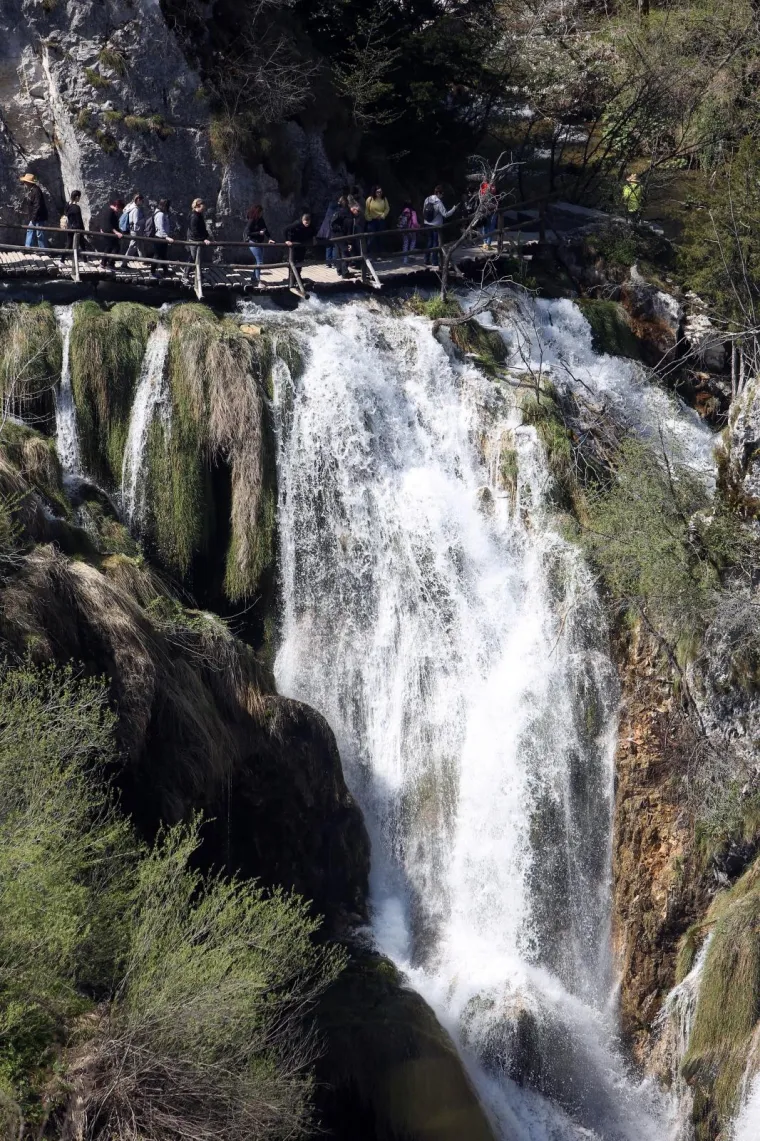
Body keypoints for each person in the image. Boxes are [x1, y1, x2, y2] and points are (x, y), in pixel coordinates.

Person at [423, 184, 458, 267]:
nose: (442, 196)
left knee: (429, 241)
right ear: (438, 193)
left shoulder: (427, 199)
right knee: (435, 243)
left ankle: (426, 259)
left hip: (427, 224)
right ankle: (435, 261)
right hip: (436, 225)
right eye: (442, 194)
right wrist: (453, 209)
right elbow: (445, 214)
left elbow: (424, 210)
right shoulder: (438, 202)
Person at [330, 200, 362, 278]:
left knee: (338, 253)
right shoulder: (348, 217)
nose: (358, 213)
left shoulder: (342, 212)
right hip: (341, 235)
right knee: (346, 253)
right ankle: (344, 272)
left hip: (336, 235)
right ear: (353, 209)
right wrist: (349, 242)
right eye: (358, 211)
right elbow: (348, 231)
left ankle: (340, 270)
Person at [244, 204, 274, 285]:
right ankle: (258, 281)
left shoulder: (261, 219)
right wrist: (258, 233)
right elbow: (248, 232)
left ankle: (253, 278)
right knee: (260, 262)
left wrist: (270, 238)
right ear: (257, 212)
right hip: (253, 242)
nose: (262, 213)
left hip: (260, 243)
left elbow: (265, 229)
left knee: (258, 261)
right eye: (260, 212)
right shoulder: (252, 220)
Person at [183, 197, 212, 282]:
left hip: (197, 239)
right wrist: (204, 239)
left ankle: (197, 275)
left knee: (194, 257)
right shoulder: (194, 216)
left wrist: (207, 236)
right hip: (194, 240)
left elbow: (202, 228)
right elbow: (194, 231)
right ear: (198, 206)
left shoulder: (199, 215)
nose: (204, 208)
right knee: (194, 258)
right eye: (202, 207)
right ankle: (186, 275)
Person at [20, 172, 49, 249]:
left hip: (38, 216)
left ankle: (43, 250)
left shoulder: (36, 191)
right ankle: (28, 248)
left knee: (39, 233)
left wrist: (33, 217)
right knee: (30, 230)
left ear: (28, 183)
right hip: (35, 216)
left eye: (25, 182)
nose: (24, 183)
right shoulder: (32, 190)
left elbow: (37, 205)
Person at [284, 212, 316, 278]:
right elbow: (285, 230)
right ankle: (291, 278)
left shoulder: (311, 225)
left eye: (308, 222)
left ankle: (298, 277)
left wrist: (313, 238)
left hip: (302, 244)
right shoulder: (297, 224)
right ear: (302, 220)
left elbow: (314, 231)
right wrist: (286, 240)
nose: (307, 224)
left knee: (300, 260)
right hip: (294, 244)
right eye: (305, 222)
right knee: (293, 261)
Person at [321, 193, 347, 269]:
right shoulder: (337, 208)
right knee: (333, 245)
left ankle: (328, 262)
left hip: (325, 228)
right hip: (331, 228)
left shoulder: (331, 206)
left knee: (329, 245)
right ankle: (333, 262)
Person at [61, 189, 87, 262]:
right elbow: (79, 220)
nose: (79, 199)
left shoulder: (67, 205)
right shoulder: (76, 208)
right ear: (77, 197)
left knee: (69, 245)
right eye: (79, 197)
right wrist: (83, 230)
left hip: (69, 227)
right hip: (76, 228)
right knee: (82, 245)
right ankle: (85, 261)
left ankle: (62, 261)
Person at [99, 196, 124, 269]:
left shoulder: (107, 210)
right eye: (119, 208)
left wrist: (101, 228)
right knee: (115, 248)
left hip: (107, 232)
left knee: (109, 248)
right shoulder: (110, 212)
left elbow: (104, 221)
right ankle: (109, 263)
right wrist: (117, 232)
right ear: (116, 206)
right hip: (109, 233)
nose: (119, 210)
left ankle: (104, 263)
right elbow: (109, 224)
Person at [364, 185, 390, 254]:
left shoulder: (384, 199)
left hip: (381, 220)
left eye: (380, 192)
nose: (379, 193)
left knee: (381, 237)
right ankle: (371, 253)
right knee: (372, 238)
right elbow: (366, 211)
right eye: (378, 192)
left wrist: (383, 215)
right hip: (372, 221)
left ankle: (380, 253)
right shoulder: (370, 199)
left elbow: (387, 208)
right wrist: (369, 218)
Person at [152, 199, 175, 274]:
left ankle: (165, 270)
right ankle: (152, 271)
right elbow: (160, 227)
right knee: (157, 255)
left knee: (163, 255)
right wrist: (166, 237)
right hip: (159, 237)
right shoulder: (160, 214)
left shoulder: (159, 212)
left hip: (162, 237)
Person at [124, 192, 146, 259]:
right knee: (133, 246)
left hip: (133, 229)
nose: (143, 202)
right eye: (142, 201)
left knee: (140, 244)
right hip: (136, 230)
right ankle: (124, 263)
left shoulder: (130, 206)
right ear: (138, 200)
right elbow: (136, 222)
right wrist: (144, 220)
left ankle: (143, 259)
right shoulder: (136, 209)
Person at [479, 181, 498, 249]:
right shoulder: (483, 185)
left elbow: (496, 194)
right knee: (486, 226)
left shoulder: (493, 185)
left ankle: (488, 243)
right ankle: (485, 242)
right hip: (485, 209)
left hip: (493, 209)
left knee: (491, 226)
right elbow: (481, 196)